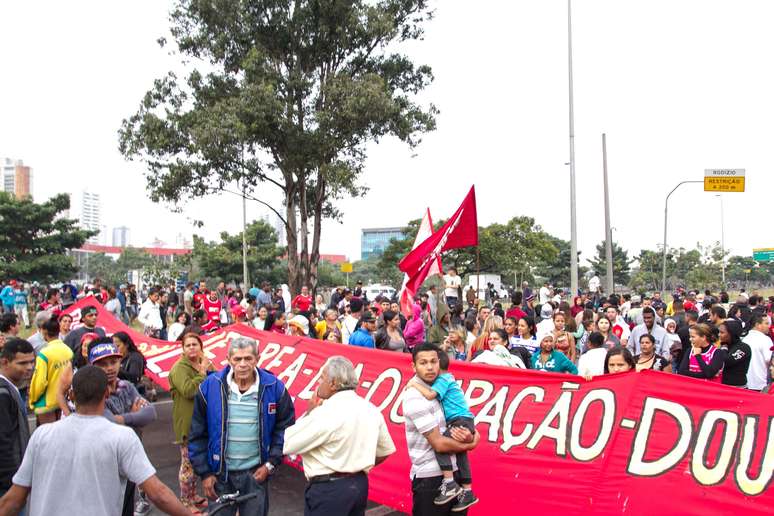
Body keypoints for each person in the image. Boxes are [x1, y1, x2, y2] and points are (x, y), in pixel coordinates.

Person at [0, 366, 190, 516]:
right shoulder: (121, 437)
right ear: (106, 395)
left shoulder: (42, 435)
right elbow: (158, 494)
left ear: (72, 396)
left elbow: (14, 499)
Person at [188, 337, 295, 515]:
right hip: (220, 476)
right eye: (237, 359)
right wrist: (205, 473)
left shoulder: (274, 387)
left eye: (248, 358)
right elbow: (197, 433)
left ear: (258, 359)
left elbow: (286, 429)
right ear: (229, 359)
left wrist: (270, 464)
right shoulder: (210, 386)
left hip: (256, 475)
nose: (243, 364)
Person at [283, 356, 396, 516]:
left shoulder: (326, 412)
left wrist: (309, 413)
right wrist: (356, 467)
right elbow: (385, 450)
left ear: (333, 383)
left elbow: (288, 442)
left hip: (330, 490)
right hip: (358, 485)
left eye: (321, 378)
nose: (318, 383)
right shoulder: (370, 409)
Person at [402, 343, 480, 515]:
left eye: (433, 361)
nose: (430, 367)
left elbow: (465, 418)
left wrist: (471, 436)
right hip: (431, 478)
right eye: (423, 363)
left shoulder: (442, 386)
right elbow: (439, 444)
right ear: (413, 366)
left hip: (456, 474)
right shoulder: (413, 396)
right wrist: (470, 444)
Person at [87, 338, 158, 516]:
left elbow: (150, 413)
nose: (110, 368)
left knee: (128, 504)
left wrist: (121, 419)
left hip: (129, 457)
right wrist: (134, 417)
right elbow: (106, 421)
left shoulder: (125, 386)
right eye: (103, 364)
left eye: (114, 362)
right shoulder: (91, 392)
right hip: (105, 462)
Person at [169, 333, 214, 513]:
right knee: (187, 464)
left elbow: (216, 381)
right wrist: (203, 372)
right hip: (188, 423)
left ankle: (193, 495)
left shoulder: (201, 363)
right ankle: (185, 501)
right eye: (188, 345)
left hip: (204, 420)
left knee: (199, 462)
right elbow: (188, 390)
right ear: (183, 348)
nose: (192, 348)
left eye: (195, 344)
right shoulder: (179, 368)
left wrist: (208, 367)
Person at [0, 339, 34, 503]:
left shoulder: (10, 389)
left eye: (32, 362)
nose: (29, 367)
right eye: (22, 363)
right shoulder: (3, 394)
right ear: (5, 362)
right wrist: (13, 484)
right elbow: (4, 443)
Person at [28, 318, 72, 425]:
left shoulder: (44, 354)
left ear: (45, 333)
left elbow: (40, 382)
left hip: (46, 403)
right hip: (63, 400)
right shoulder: (67, 350)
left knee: (46, 437)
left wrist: (32, 399)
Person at [743, 313, 773, 392]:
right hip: (761, 383)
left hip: (746, 383)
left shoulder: (745, 339)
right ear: (758, 325)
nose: (769, 326)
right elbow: (769, 359)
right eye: (766, 323)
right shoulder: (765, 340)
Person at [719, 319, 751, 388]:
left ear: (731, 333)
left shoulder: (744, 347)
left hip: (737, 387)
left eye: (722, 333)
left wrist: (724, 349)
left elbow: (727, 361)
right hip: (722, 385)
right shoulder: (724, 345)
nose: (719, 335)